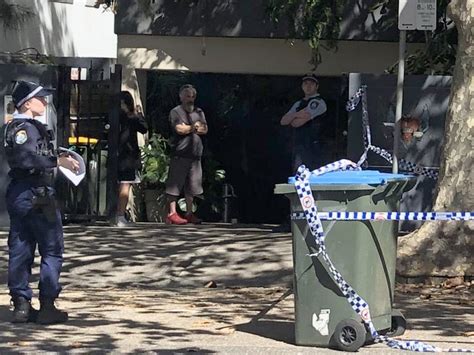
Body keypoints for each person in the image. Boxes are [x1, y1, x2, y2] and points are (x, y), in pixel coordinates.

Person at [3, 81, 79, 324]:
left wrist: (57, 157)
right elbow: (28, 158)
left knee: (21, 248)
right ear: (27, 103)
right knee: (51, 249)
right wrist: (59, 163)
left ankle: (21, 305)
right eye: (40, 98)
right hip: (36, 193)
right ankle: (46, 305)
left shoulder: (17, 126)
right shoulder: (24, 127)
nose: (45, 102)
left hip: (20, 193)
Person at [165, 84, 208, 225]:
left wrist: (191, 127)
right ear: (181, 97)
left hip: (195, 156)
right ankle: (172, 213)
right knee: (175, 184)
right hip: (180, 153)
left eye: (192, 96)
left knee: (192, 186)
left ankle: (189, 213)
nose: (190, 99)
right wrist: (193, 127)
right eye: (187, 96)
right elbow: (179, 129)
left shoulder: (199, 111)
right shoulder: (175, 112)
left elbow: (204, 129)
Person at [280, 73, 327, 172]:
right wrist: (297, 114)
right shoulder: (298, 104)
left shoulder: (318, 102)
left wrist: (293, 117)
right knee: (297, 174)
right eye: (306, 83)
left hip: (314, 147)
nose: (308, 86)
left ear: (317, 86)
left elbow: (296, 123)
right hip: (299, 146)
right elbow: (284, 121)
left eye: (311, 84)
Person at [116, 91, 148, 227]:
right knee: (125, 184)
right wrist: (138, 114)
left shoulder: (114, 116)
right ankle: (120, 215)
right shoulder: (131, 117)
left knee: (120, 184)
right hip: (128, 156)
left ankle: (117, 214)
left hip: (117, 154)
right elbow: (144, 128)